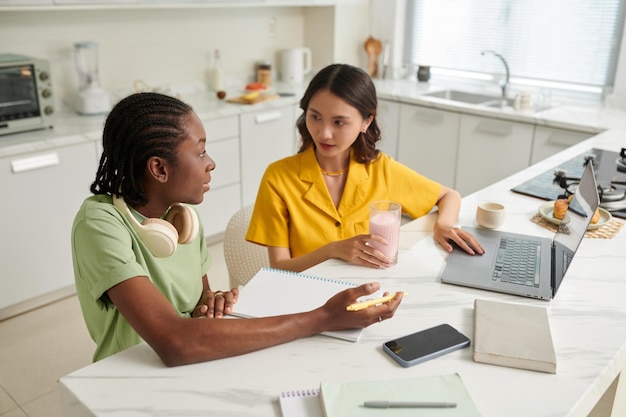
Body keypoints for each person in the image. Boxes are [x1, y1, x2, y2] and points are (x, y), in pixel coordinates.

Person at [71, 92, 403, 366]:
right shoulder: (100, 225)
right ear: (159, 168)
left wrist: (212, 301)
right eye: (200, 151)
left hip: (194, 362)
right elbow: (174, 342)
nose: (210, 162)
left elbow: (200, 299)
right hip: (132, 374)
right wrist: (322, 318)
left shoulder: (181, 219)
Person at [246, 64, 484, 273]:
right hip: (307, 299)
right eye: (315, 116)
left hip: (368, 290)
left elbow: (448, 195)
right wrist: (333, 250)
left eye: (339, 122)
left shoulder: (382, 170)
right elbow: (280, 268)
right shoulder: (278, 177)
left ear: (366, 121)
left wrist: (443, 226)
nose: (323, 133)